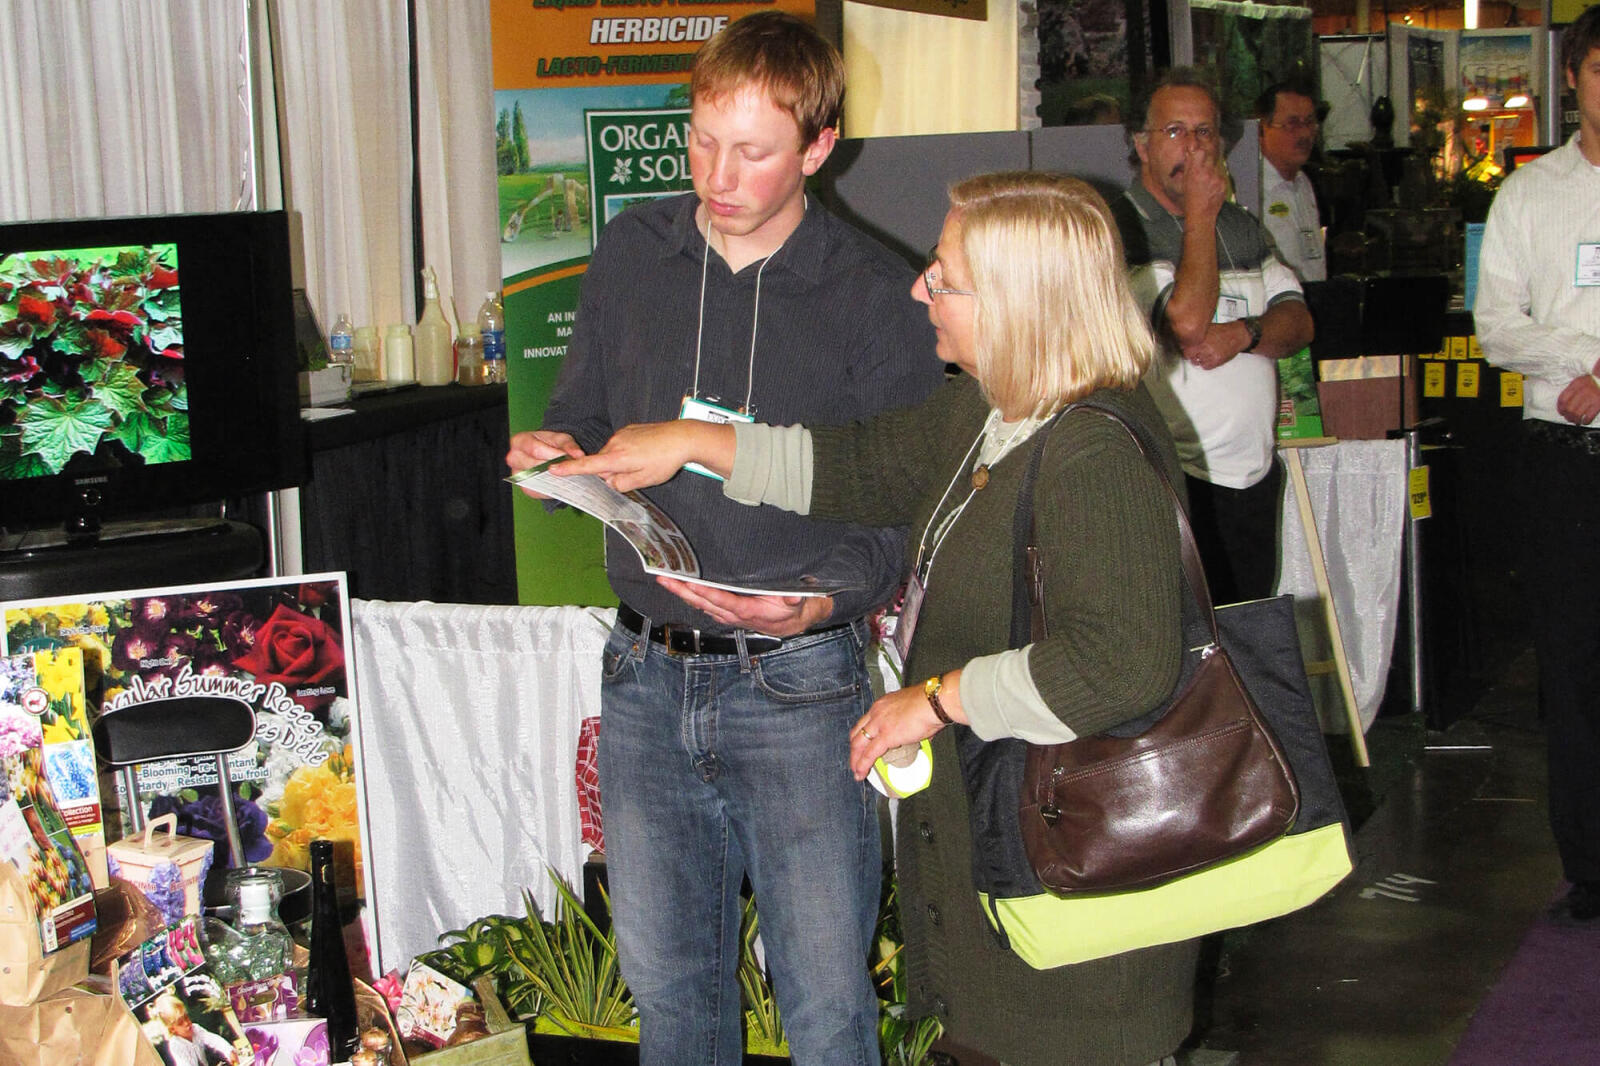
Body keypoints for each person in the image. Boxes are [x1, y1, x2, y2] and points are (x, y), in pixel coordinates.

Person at [552, 171, 1199, 1066]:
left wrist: (932, 702)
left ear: (1020, 304)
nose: (919, 290)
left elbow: (1120, 665)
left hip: (1080, 899)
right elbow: (850, 465)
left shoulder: (1094, 450)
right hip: (1017, 850)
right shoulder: (988, 412)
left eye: (946, 279)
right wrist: (694, 441)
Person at [504, 12, 942, 1065]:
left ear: (819, 149)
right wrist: (554, 453)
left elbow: (906, 511)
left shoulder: (875, 294)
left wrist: (823, 601)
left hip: (800, 684)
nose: (718, 175)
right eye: (702, 141)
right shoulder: (633, 250)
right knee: (671, 1000)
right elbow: (583, 413)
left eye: (753, 151)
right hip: (644, 675)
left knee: (826, 1005)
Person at [1474, 3, 1600, 927]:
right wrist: (1581, 364)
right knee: (1573, 661)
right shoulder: (1527, 194)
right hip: (1564, 458)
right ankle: (1590, 863)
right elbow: (1496, 328)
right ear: (1573, 79)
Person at [1113, 68, 1314, 603]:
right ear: (1142, 145)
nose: (1194, 147)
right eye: (1175, 131)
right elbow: (1185, 324)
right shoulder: (1123, 229)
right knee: (1188, 637)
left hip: (1252, 479)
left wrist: (1245, 333)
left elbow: (1298, 321)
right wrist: (1200, 216)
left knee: (1246, 629)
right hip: (1173, 479)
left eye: (1205, 132)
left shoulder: (1241, 226)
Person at [1256, 81, 1326, 282]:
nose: (1304, 134)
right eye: (1292, 124)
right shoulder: (1252, 189)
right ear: (1262, 129)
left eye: (1309, 123)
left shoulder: (1304, 183)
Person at [152, 995, 237, 1066]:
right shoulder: (176, 1045)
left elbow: (213, 1040)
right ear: (172, 1029)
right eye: (180, 1023)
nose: (186, 1023)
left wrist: (228, 1051)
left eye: (186, 1017)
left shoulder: (195, 1029)